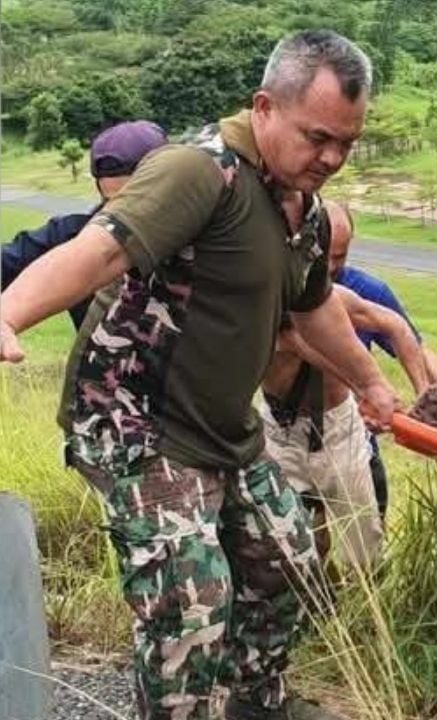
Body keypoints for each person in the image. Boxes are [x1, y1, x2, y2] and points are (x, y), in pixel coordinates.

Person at [0, 30, 394, 720]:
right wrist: (8, 312)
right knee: (191, 605)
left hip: (222, 427)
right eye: (318, 137)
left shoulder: (302, 207)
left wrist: (371, 382)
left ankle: (252, 702)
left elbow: (313, 305)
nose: (332, 158)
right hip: (135, 422)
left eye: (347, 143)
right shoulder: (199, 172)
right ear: (264, 108)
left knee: (290, 563)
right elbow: (98, 252)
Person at [261, 204, 433, 570]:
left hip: (340, 430)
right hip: (279, 430)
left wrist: (425, 398)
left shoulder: (340, 295)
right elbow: (303, 343)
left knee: (364, 551)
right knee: (285, 555)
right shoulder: (258, 296)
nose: (330, 267)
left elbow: (396, 326)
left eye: (339, 257)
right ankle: (312, 600)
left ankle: (365, 601)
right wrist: (368, 387)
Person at [324, 201, 437, 517]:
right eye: (323, 254)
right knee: (308, 536)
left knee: (368, 530)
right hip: (293, 428)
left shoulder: (366, 291)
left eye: (339, 257)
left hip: (355, 432)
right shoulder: (284, 286)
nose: (330, 267)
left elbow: (411, 342)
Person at [2, 120, 168, 329]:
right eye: (113, 203)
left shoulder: (199, 240)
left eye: (135, 202)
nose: (123, 217)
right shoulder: (74, 234)